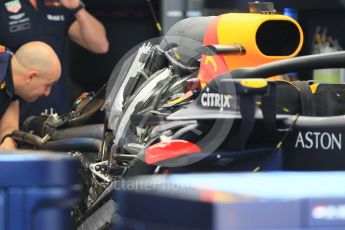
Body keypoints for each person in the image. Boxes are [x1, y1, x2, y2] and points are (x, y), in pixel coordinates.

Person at [0, 0, 109, 123]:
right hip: (15, 115)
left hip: (57, 115)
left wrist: (77, 8)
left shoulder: (57, 4)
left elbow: (101, 45)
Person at [0, 41, 61, 150]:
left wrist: (8, 142)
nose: (47, 93)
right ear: (30, 77)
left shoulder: (11, 69)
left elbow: (8, 129)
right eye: (48, 85)